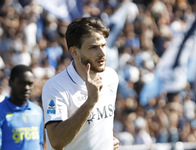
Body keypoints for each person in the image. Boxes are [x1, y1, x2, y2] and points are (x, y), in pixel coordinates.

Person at [42, 17, 120, 150]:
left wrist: (105, 141)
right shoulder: (55, 87)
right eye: (93, 47)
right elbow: (57, 141)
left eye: (103, 45)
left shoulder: (111, 76)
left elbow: (98, 126)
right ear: (74, 52)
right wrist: (90, 101)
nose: (102, 53)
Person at [0, 64, 44, 150]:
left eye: (30, 84)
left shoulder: (37, 111)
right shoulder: (1, 111)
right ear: (10, 82)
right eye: (22, 83)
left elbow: (40, 143)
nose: (27, 88)